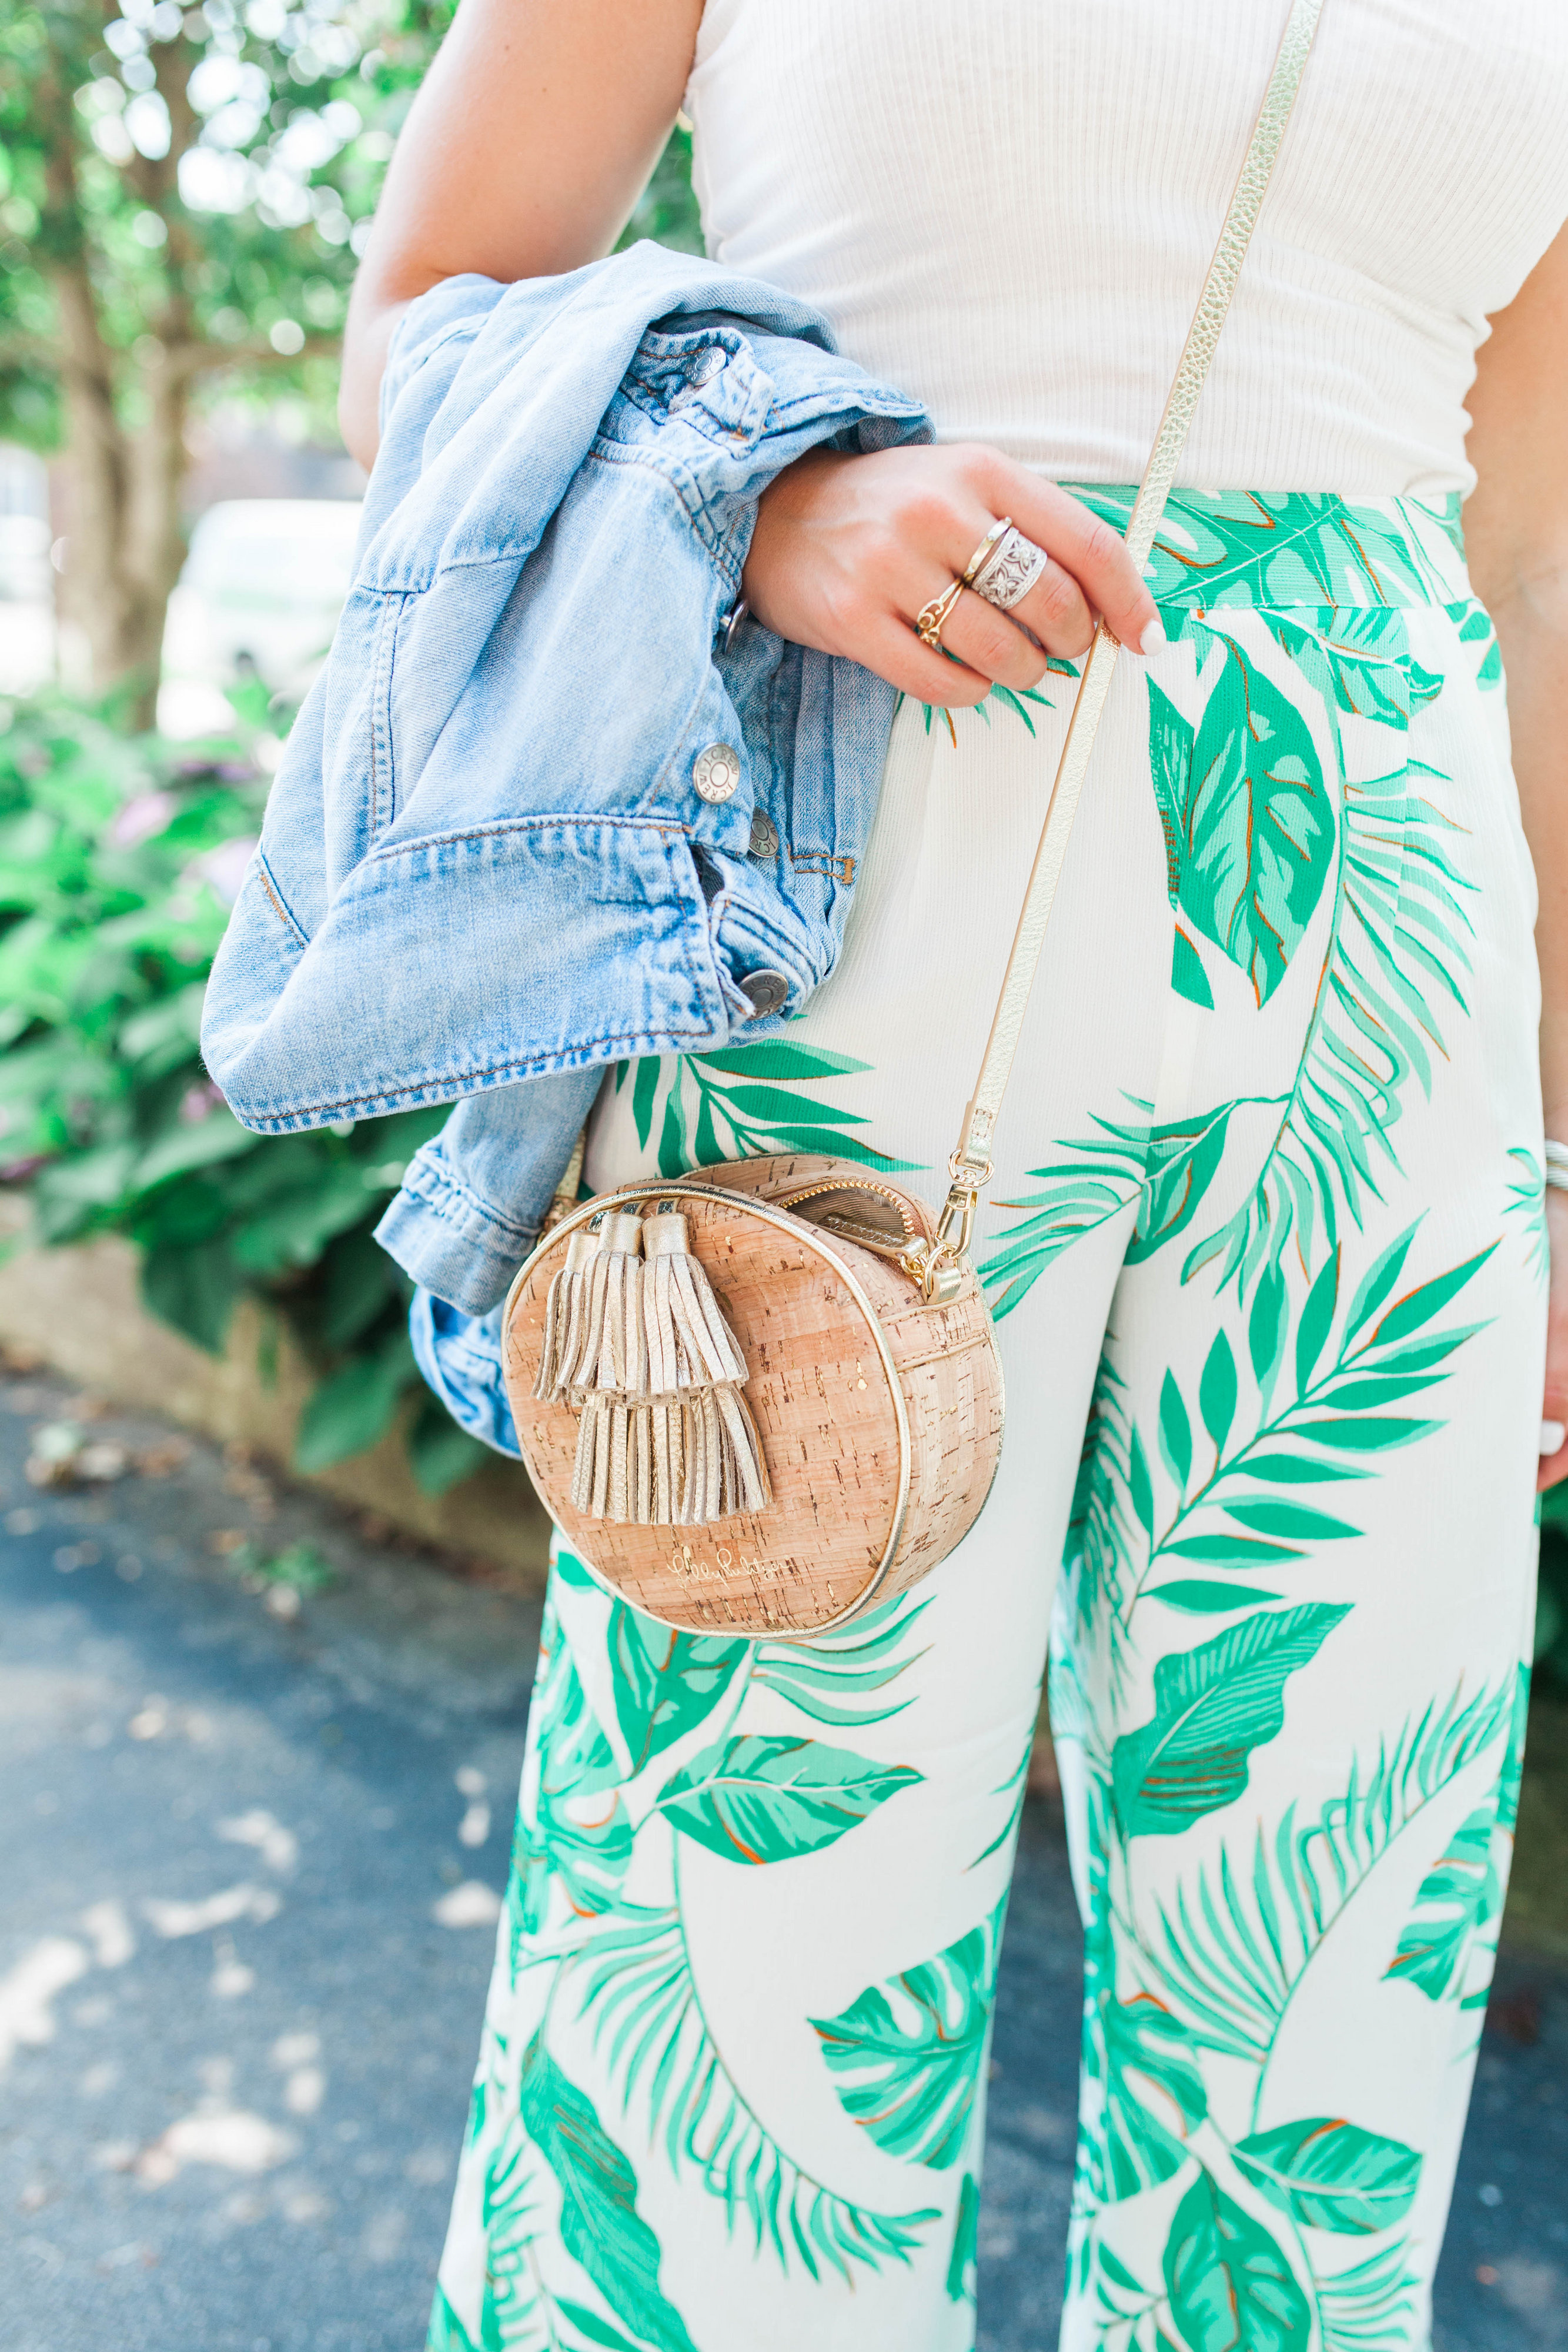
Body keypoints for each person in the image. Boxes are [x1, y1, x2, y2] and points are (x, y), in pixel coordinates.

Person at [338, 6, 1568, 2346]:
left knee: (1326, 1963)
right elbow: (415, 324)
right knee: (738, 1964)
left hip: (1397, 996)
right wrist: (768, 496)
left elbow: (1530, 559)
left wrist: (1562, 1150)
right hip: (838, 918)